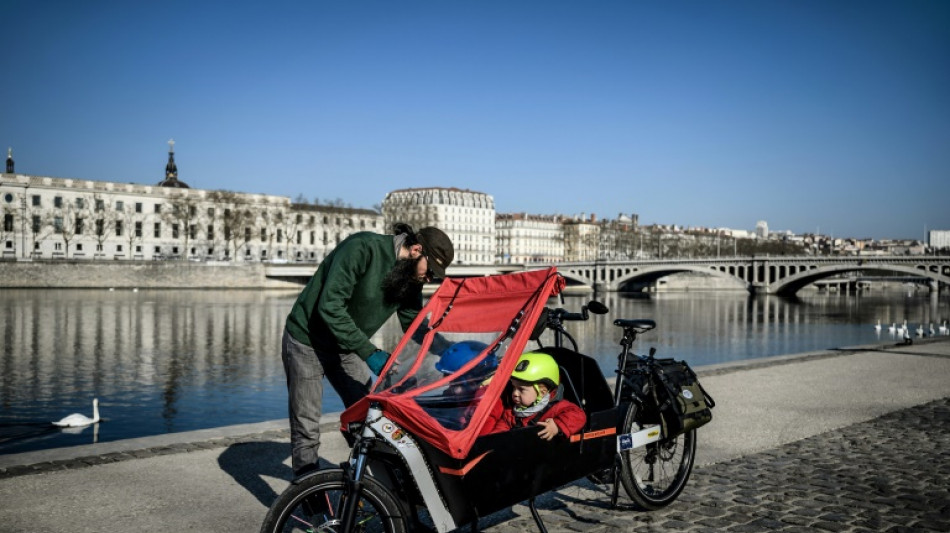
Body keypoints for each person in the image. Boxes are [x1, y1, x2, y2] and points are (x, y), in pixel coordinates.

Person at [281, 223, 454, 475]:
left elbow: (413, 321)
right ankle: (312, 506)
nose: (430, 279)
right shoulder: (361, 248)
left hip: (347, 347)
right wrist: (370, 352)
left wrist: (446, 349)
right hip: (307, 342)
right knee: (306, 428)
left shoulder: (411, 277)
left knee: (368, 420)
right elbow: (330, 307)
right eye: (431, 271)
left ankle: (365, 488)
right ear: (416, 249)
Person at [491, 351, 586, 440]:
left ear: (542, 392)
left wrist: (557, 425)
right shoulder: (511, 413)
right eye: (514, 387)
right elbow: (499, 433)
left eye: (521, 389)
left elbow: (579, 415)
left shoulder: (556, 408)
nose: (515, 393)